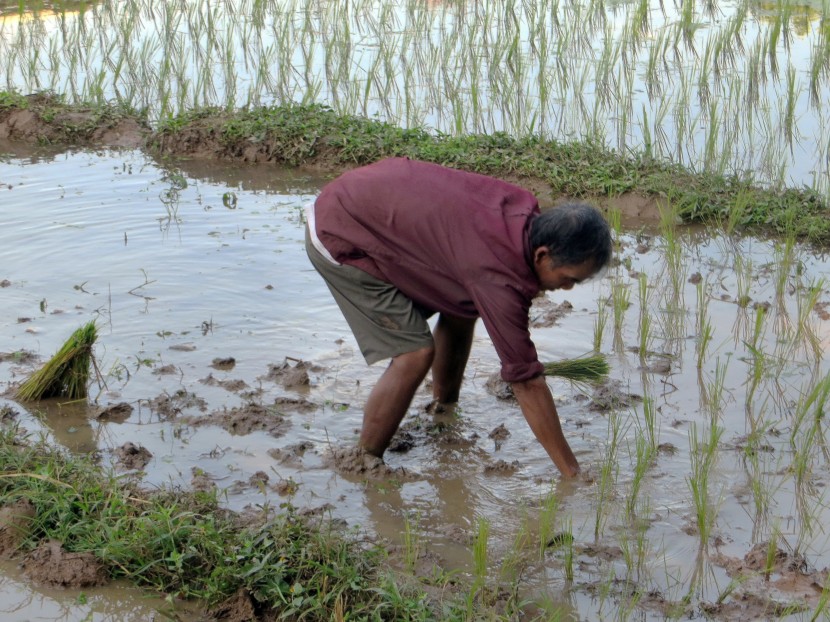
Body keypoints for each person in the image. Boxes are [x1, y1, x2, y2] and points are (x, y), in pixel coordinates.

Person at [305, 157, 612, 477]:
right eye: (568, 278)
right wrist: (572, 473)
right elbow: (527, 383)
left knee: (463, 307)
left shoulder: (521, 213)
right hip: (339, 230)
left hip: (369, 196)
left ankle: (443, 408)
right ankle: (365, 459)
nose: (566, 288)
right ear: (542, 255)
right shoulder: (497, 275)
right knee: (414, 352)